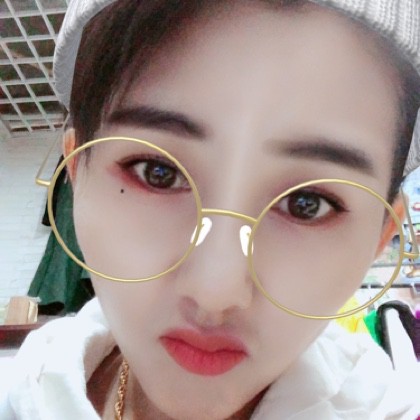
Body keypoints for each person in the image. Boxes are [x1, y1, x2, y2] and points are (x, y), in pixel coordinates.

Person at [1, 0, 420, 418]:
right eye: (158, 173)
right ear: (77, 176)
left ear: (381, 235)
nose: (214, 292)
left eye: (306, 205)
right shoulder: (25, 395)